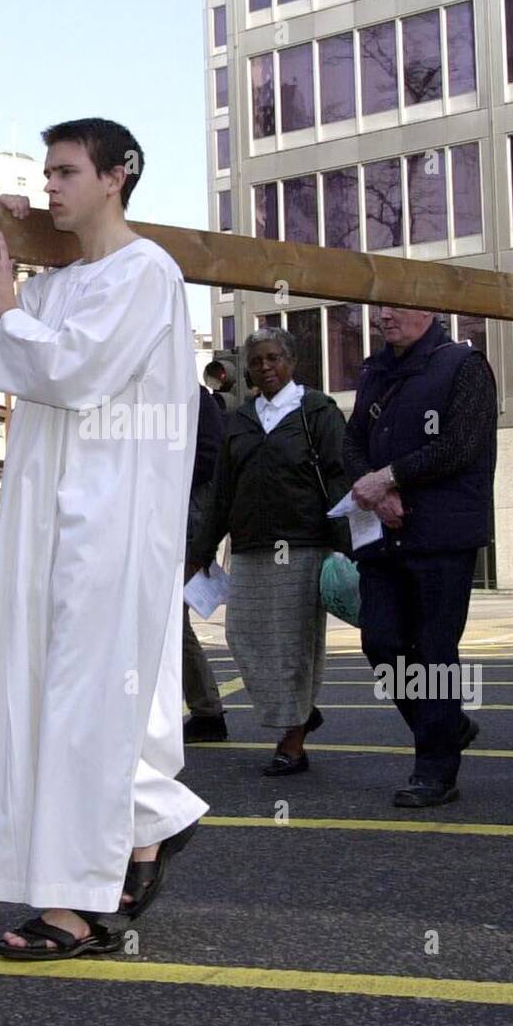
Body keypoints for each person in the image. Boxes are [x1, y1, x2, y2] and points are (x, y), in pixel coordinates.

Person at [0, 117, 207, 960]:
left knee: (87, 707)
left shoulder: (146, 273)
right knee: (43, 697)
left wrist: (14, 304)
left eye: (65, 171)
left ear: (117, 175)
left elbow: (74, 371)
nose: (49, 185)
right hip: (43, 521)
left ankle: (76, 903)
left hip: (114, 521)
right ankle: (144, 830)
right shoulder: (56, 284)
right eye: (45, 173)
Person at [344, 306, 496, 808]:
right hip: (384, 536)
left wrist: (390, 477)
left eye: (397, 306)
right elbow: (352, 443)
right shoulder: (375, 368)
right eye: (380, 307)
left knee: (433, 652)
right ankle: (448, 725)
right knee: (380, 642)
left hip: (441, 536)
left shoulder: (464, 366)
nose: (385, 316)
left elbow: (460, 446)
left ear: (428, 309)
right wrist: (372, 486)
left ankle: (435, 770)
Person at [188, 327, 351, 775]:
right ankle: (299, 712)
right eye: (256, 361)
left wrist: (344, 548)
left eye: (273, 358)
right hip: (250, 549)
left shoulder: (316, 411)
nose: (265, 367)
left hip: (303, 545)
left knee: (294, 647)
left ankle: (292, 743)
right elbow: (222, 491)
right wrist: (201, 549)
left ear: (291, 362)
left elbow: (339, 478)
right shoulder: (240, 419)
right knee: (243, 637)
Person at [183, 379, 227, 742]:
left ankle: (207, 711)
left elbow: (212, 458)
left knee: (171, 625)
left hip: (184, 525)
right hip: (158, 522)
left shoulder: (195, 397)